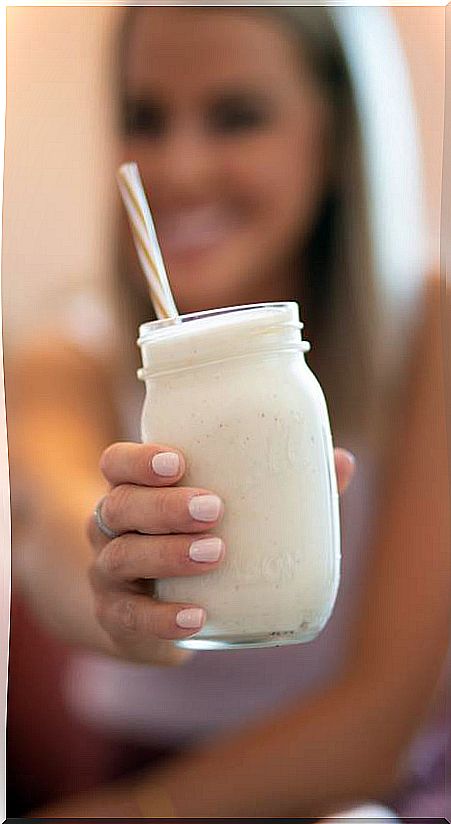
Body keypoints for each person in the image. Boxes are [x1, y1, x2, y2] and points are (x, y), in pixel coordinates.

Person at [6, 6, 449, 818]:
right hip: (132, 768)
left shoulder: (429, 334)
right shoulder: (64, 354)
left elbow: (381, 720)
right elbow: (51, 534)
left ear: (337, 135)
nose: (179, 168)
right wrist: (118, 575)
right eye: (144, 117)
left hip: (345, 789)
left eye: (237, 116)